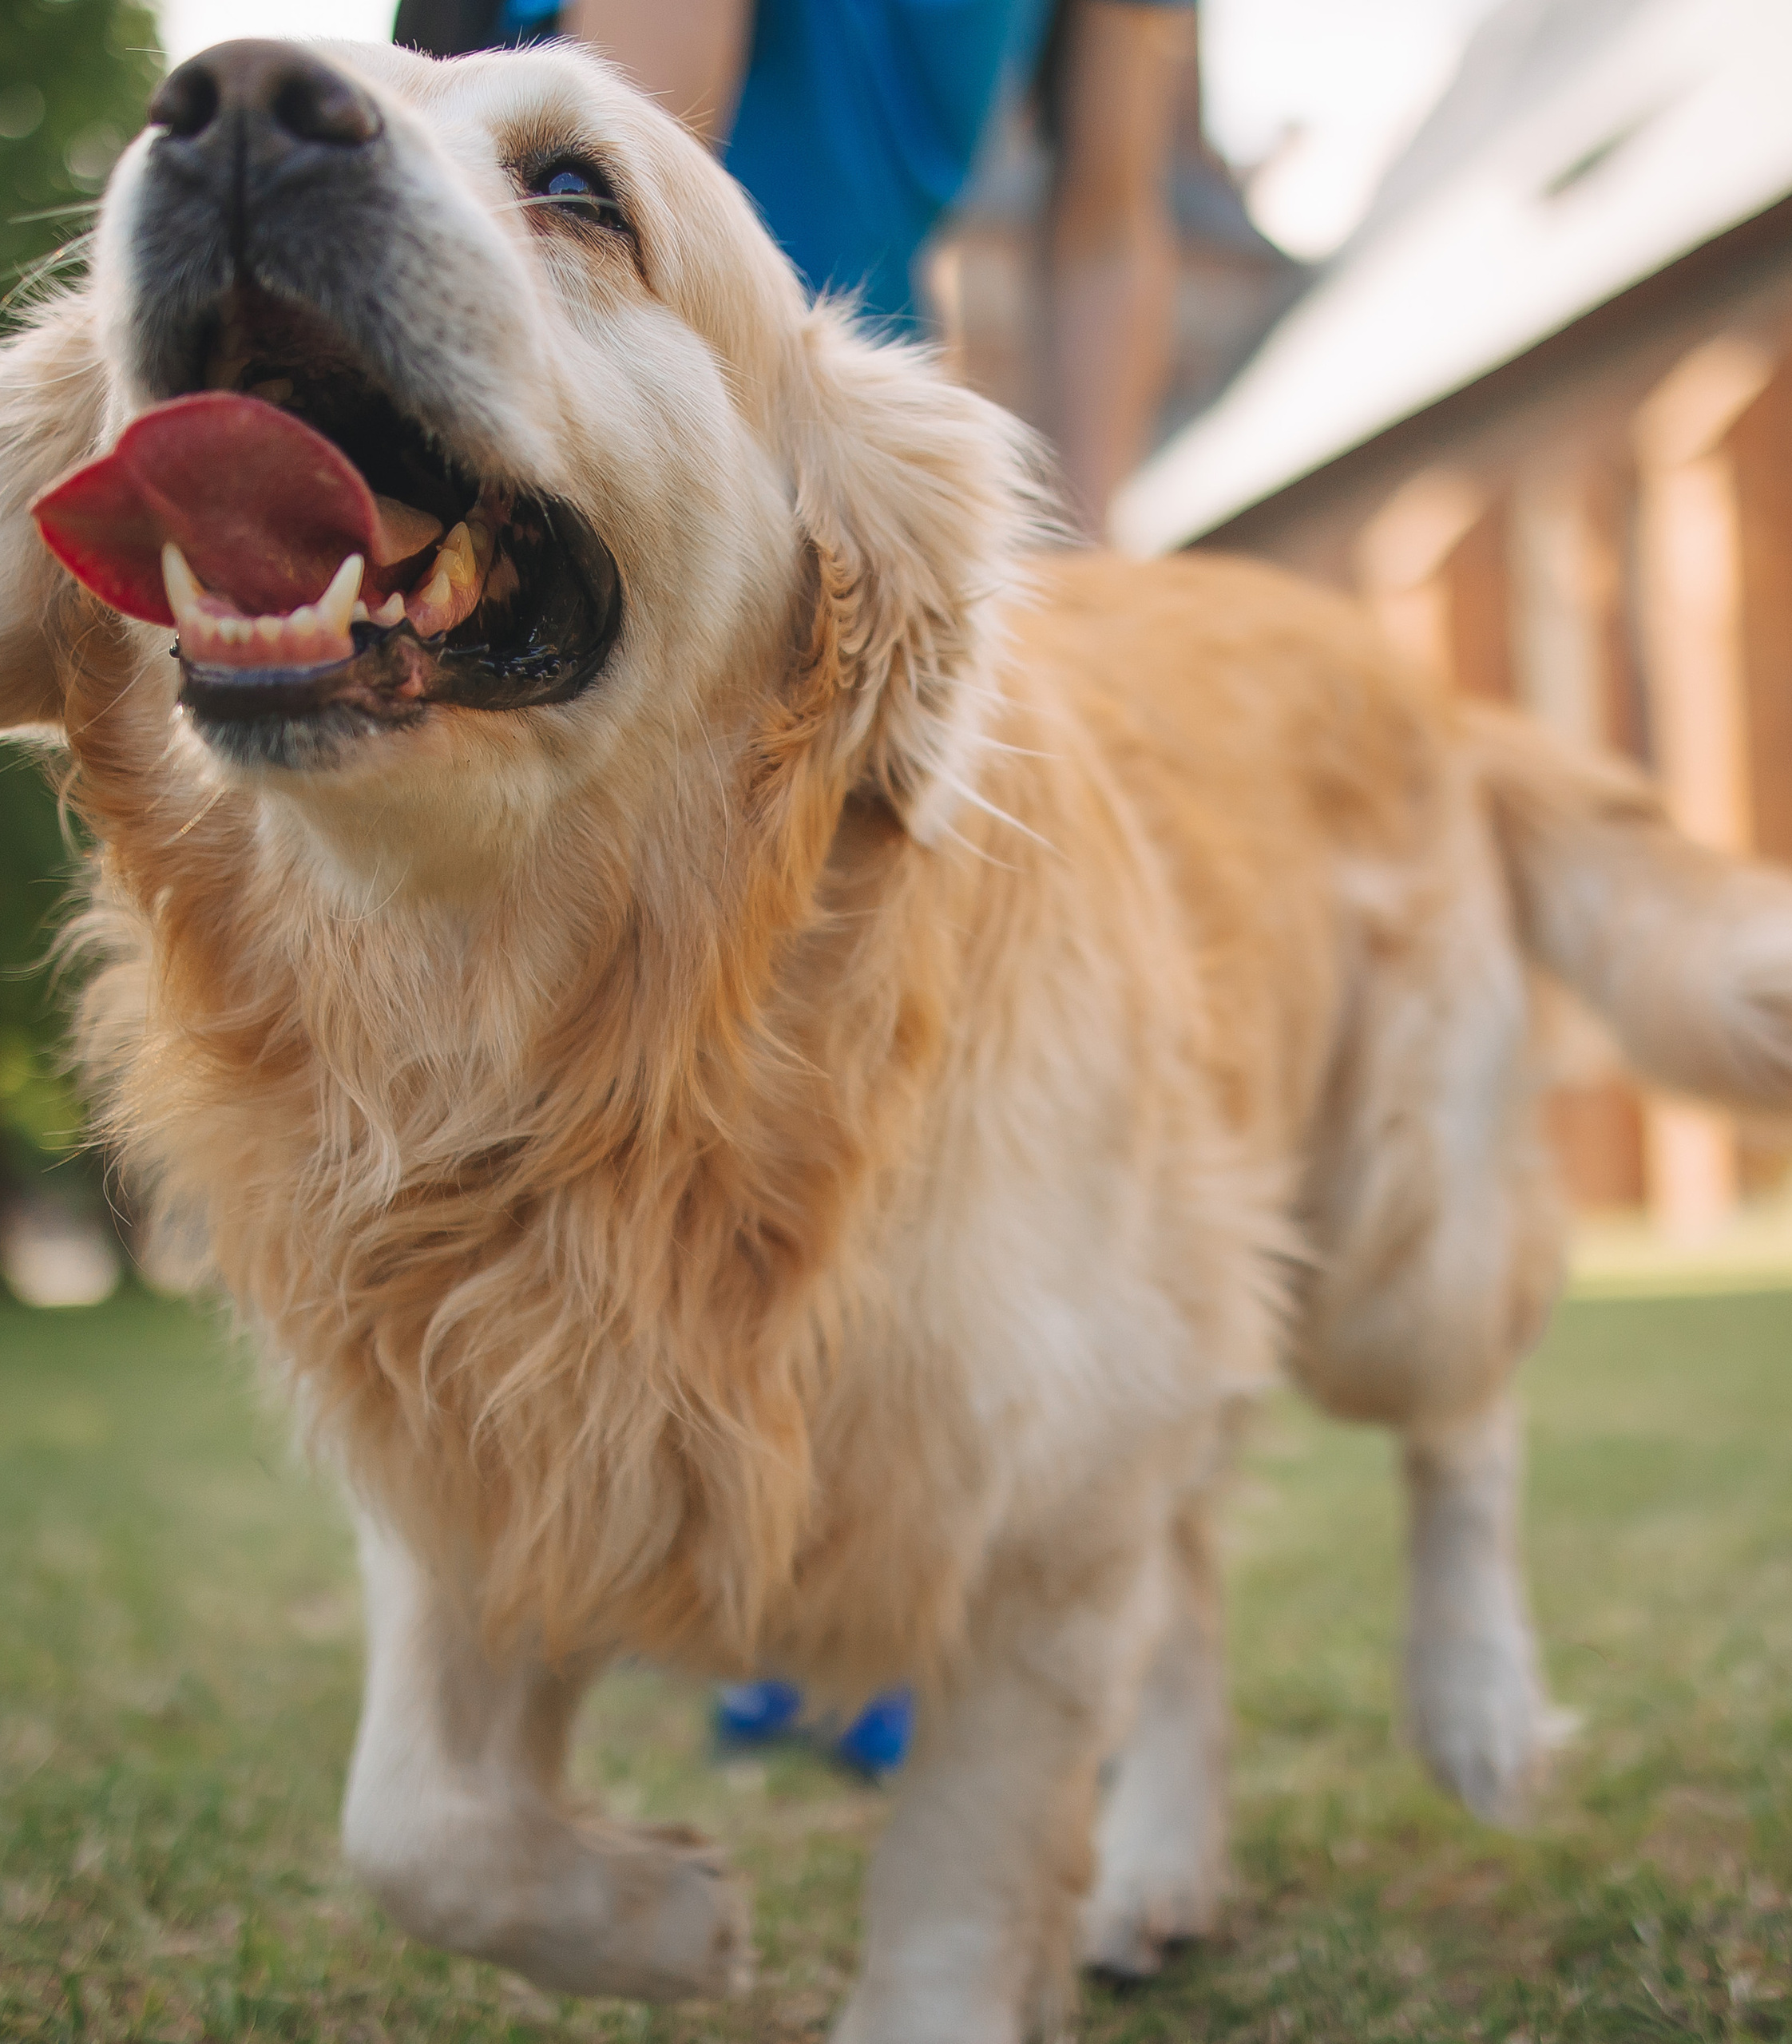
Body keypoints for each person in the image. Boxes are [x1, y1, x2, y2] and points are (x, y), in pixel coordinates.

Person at [390, 0, 1194, 1770]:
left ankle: (824, 1570)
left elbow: (1106, 226)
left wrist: (1086, 562)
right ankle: (641, 1564)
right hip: (611, 431)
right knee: (578, 1080)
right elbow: (620, 156)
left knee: (869, 1084)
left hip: (838, 455)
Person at [393, 0, 1195, 539]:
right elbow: (614, 189)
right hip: (584, 430)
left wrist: (1097, 578)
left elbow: (1107, 228)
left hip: (852, 460)